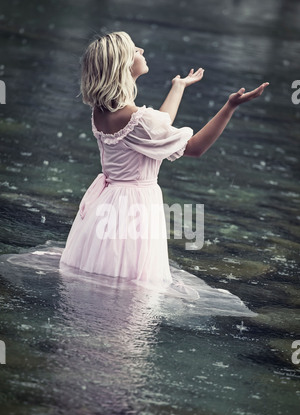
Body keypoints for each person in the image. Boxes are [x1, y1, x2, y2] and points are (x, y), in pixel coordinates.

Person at [59, 31, 269, 288]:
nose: (142, 51)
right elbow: (194, 148)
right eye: (135, 50)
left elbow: (158, 125)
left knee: (106, 269)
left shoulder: (101, 111)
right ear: (123, 65)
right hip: (135, 206)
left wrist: (178, 87)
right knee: (133, 282)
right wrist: (229, 107)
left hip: (108, 202)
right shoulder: (138, 119)